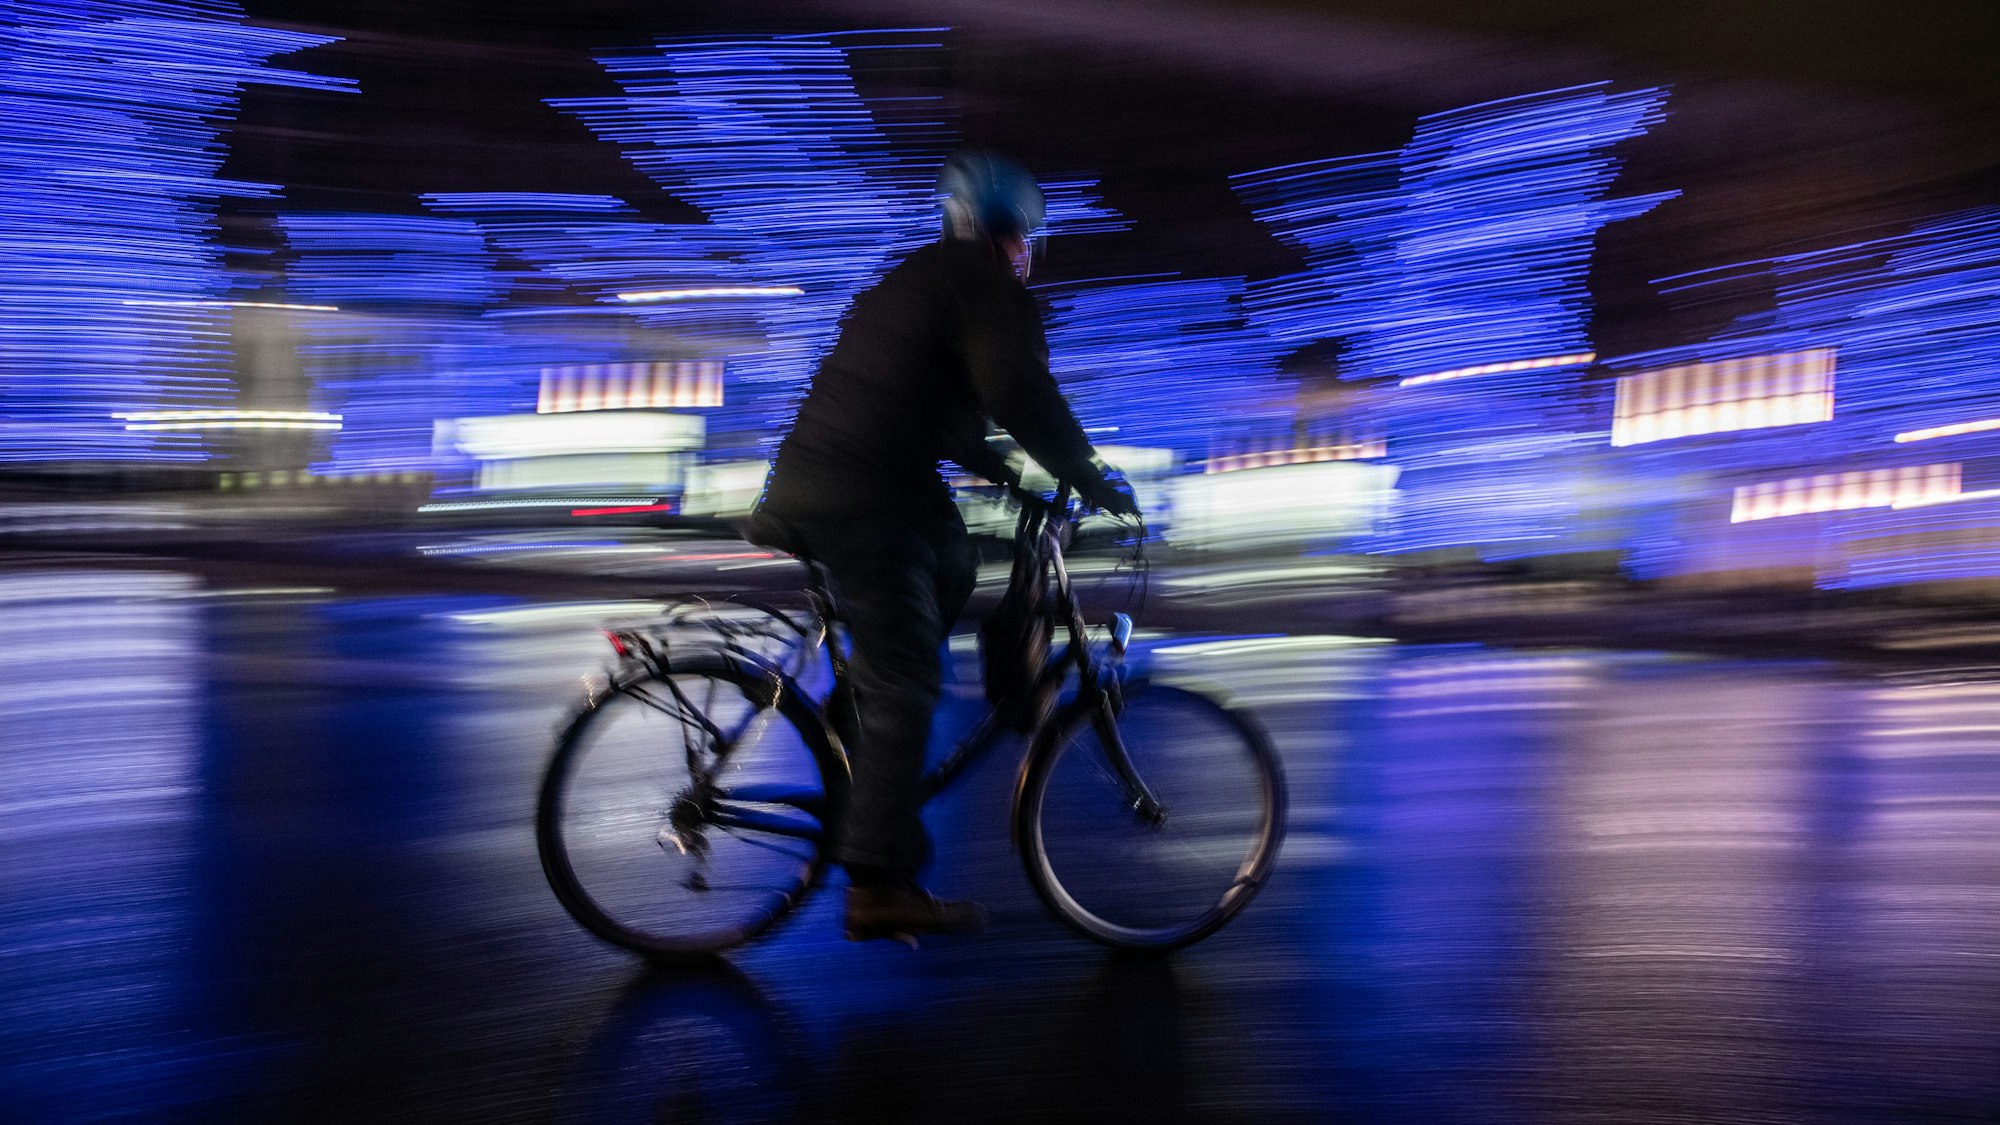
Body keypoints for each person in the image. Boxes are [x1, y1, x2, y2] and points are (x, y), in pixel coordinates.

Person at [749, 148, 1138, 943]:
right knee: (911, 680)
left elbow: (943, 417)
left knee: (953, 557)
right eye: (1024, 235)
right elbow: (1018, 390)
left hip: (862, 481)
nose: (1027, 251)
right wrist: (1094, 477)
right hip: (857, 496)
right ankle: (877, 881)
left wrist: (1018, 480)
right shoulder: (981, 283)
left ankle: (853, 728)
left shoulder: (928, 276)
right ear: (1003, 232)